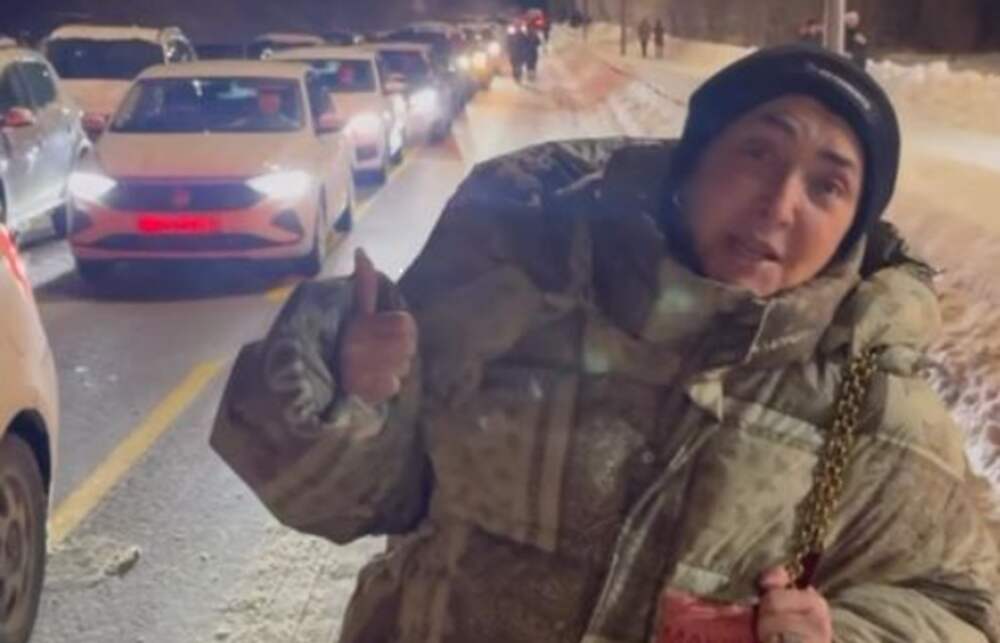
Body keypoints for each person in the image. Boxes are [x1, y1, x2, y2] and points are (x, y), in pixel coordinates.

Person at [212, 45, 1000, 643]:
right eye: (757, 152)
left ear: (852, 231)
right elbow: (352, 501)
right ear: (693, 162)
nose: (780, 202)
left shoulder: (872, 399)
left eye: (828, 185)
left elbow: (966, 607)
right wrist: (353, 399)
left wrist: (835, 634)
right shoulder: (516, 285)